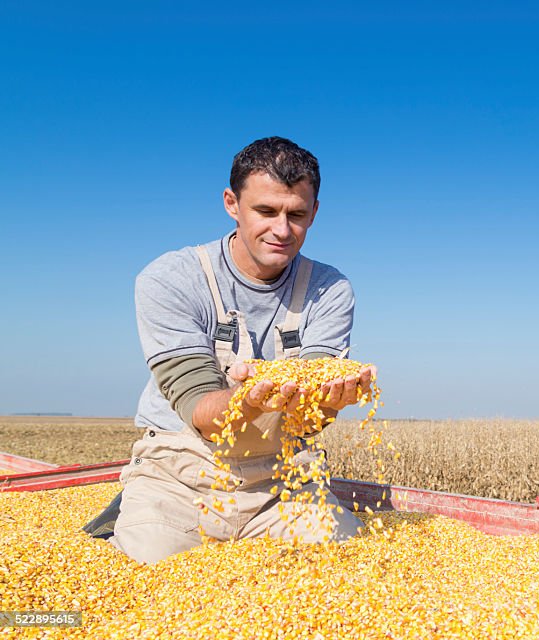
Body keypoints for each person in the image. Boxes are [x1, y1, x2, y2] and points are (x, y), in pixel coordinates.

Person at [97, 136, 374, 564]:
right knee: (145, 568)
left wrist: (330, 402)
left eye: (297, 214)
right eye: (266, 211)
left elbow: (310, 412)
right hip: (181, 478)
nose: (282, 230)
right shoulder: (172, 278)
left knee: (351, 564)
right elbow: (201, 412)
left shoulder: (329, 290)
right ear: (232, 203)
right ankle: (132, 510)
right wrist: (247, 400)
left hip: (282, 483)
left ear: (314, 212)